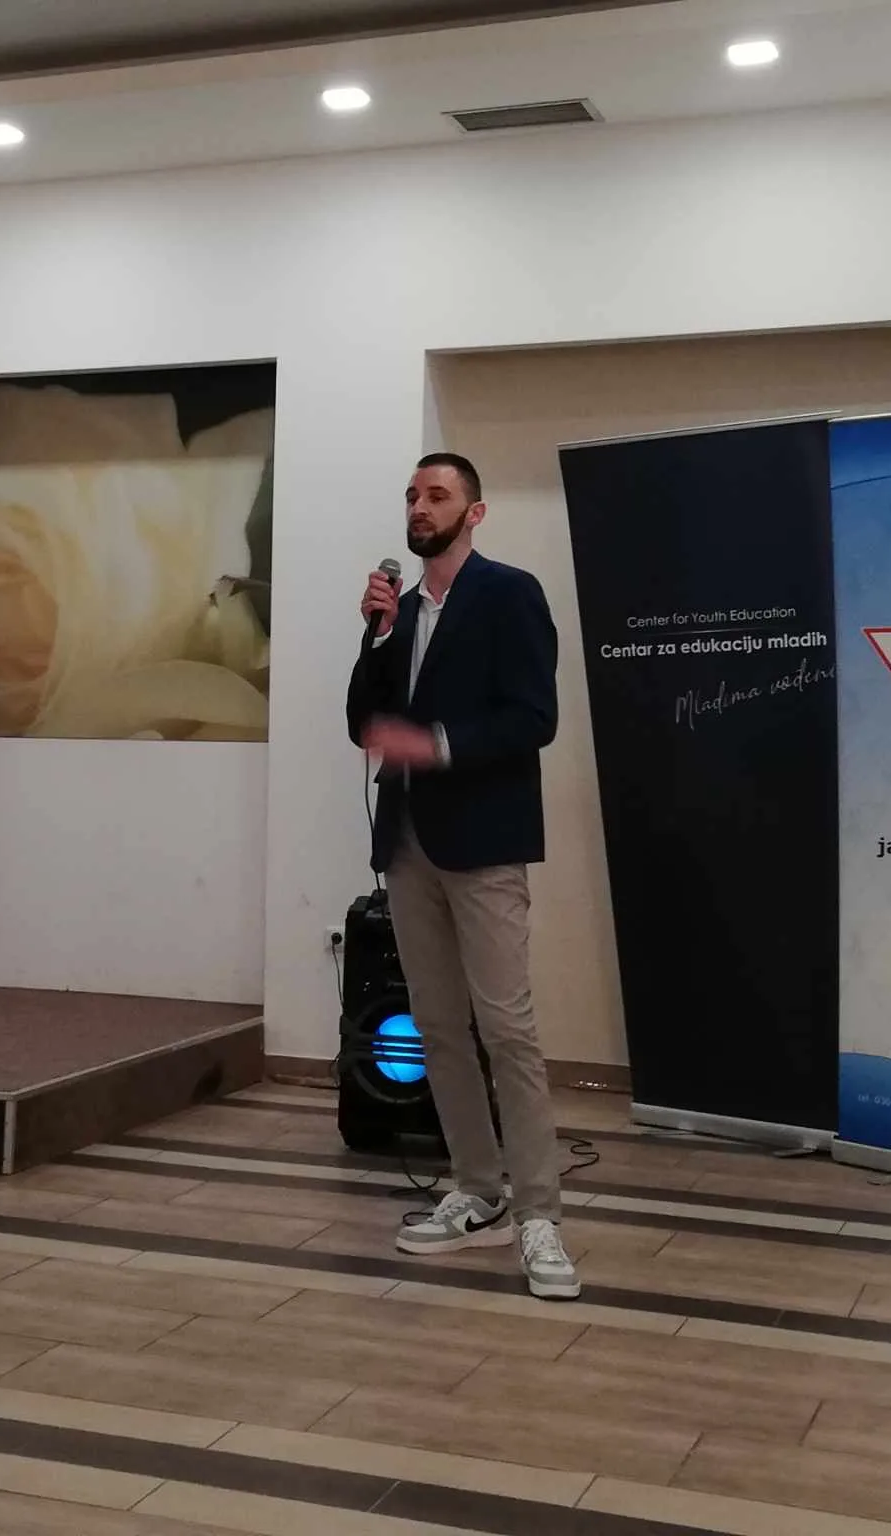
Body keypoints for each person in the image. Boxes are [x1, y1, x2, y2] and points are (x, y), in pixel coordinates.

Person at [345, 451, 577, 1300]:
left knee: (507, 1030)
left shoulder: (509, 594)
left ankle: (540, 1213)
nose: (420, 505)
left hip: (483, 841)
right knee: (438, 1028)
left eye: (437, 495)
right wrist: (376, 637)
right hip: (408, 844)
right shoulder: (399, 612)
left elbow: (535, 717)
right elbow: (363, 722)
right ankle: (478, 1192)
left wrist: (438, 744)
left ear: (473, 513)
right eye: (412, 494)